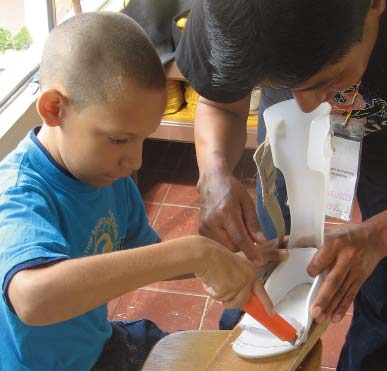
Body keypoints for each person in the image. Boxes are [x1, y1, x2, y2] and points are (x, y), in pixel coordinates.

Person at [0, 12, 273, 371]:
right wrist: (194, 253)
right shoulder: (18, 193)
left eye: (143, 139)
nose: (136, 160)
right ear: (54, 109)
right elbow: (33, 299)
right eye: (119, 139)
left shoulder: (110, 178)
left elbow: (149, 255)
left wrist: (223, 262)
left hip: (97, 347)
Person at [175, 0, 387, 370]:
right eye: (271, 86)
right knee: (263, 263)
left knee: (382, 292)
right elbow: (220, 103)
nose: (306, 107)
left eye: (325, 80)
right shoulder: (232, 13)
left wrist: (380, 236)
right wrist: (214, 170)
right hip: (288, 127)